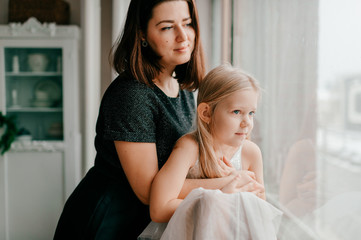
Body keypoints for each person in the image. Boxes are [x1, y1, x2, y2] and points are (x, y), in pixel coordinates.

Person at [54, 1, 260, 239]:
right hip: (109, 221)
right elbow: (149, 193)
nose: (183, 36)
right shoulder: (132, 95)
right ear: (142, 34)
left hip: (146, 221)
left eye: (187, 23)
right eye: (167, 27)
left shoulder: (180, 87)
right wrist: (227, 184)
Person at [139, 64, 282, 240]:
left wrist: (236, 185)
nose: (247, 123)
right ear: (206, 113)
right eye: (237, 112)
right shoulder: (189, 148)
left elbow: (261, 209)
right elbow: (159, 209)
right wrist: (223, 193)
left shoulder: (251, 153)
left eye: (251, 113)